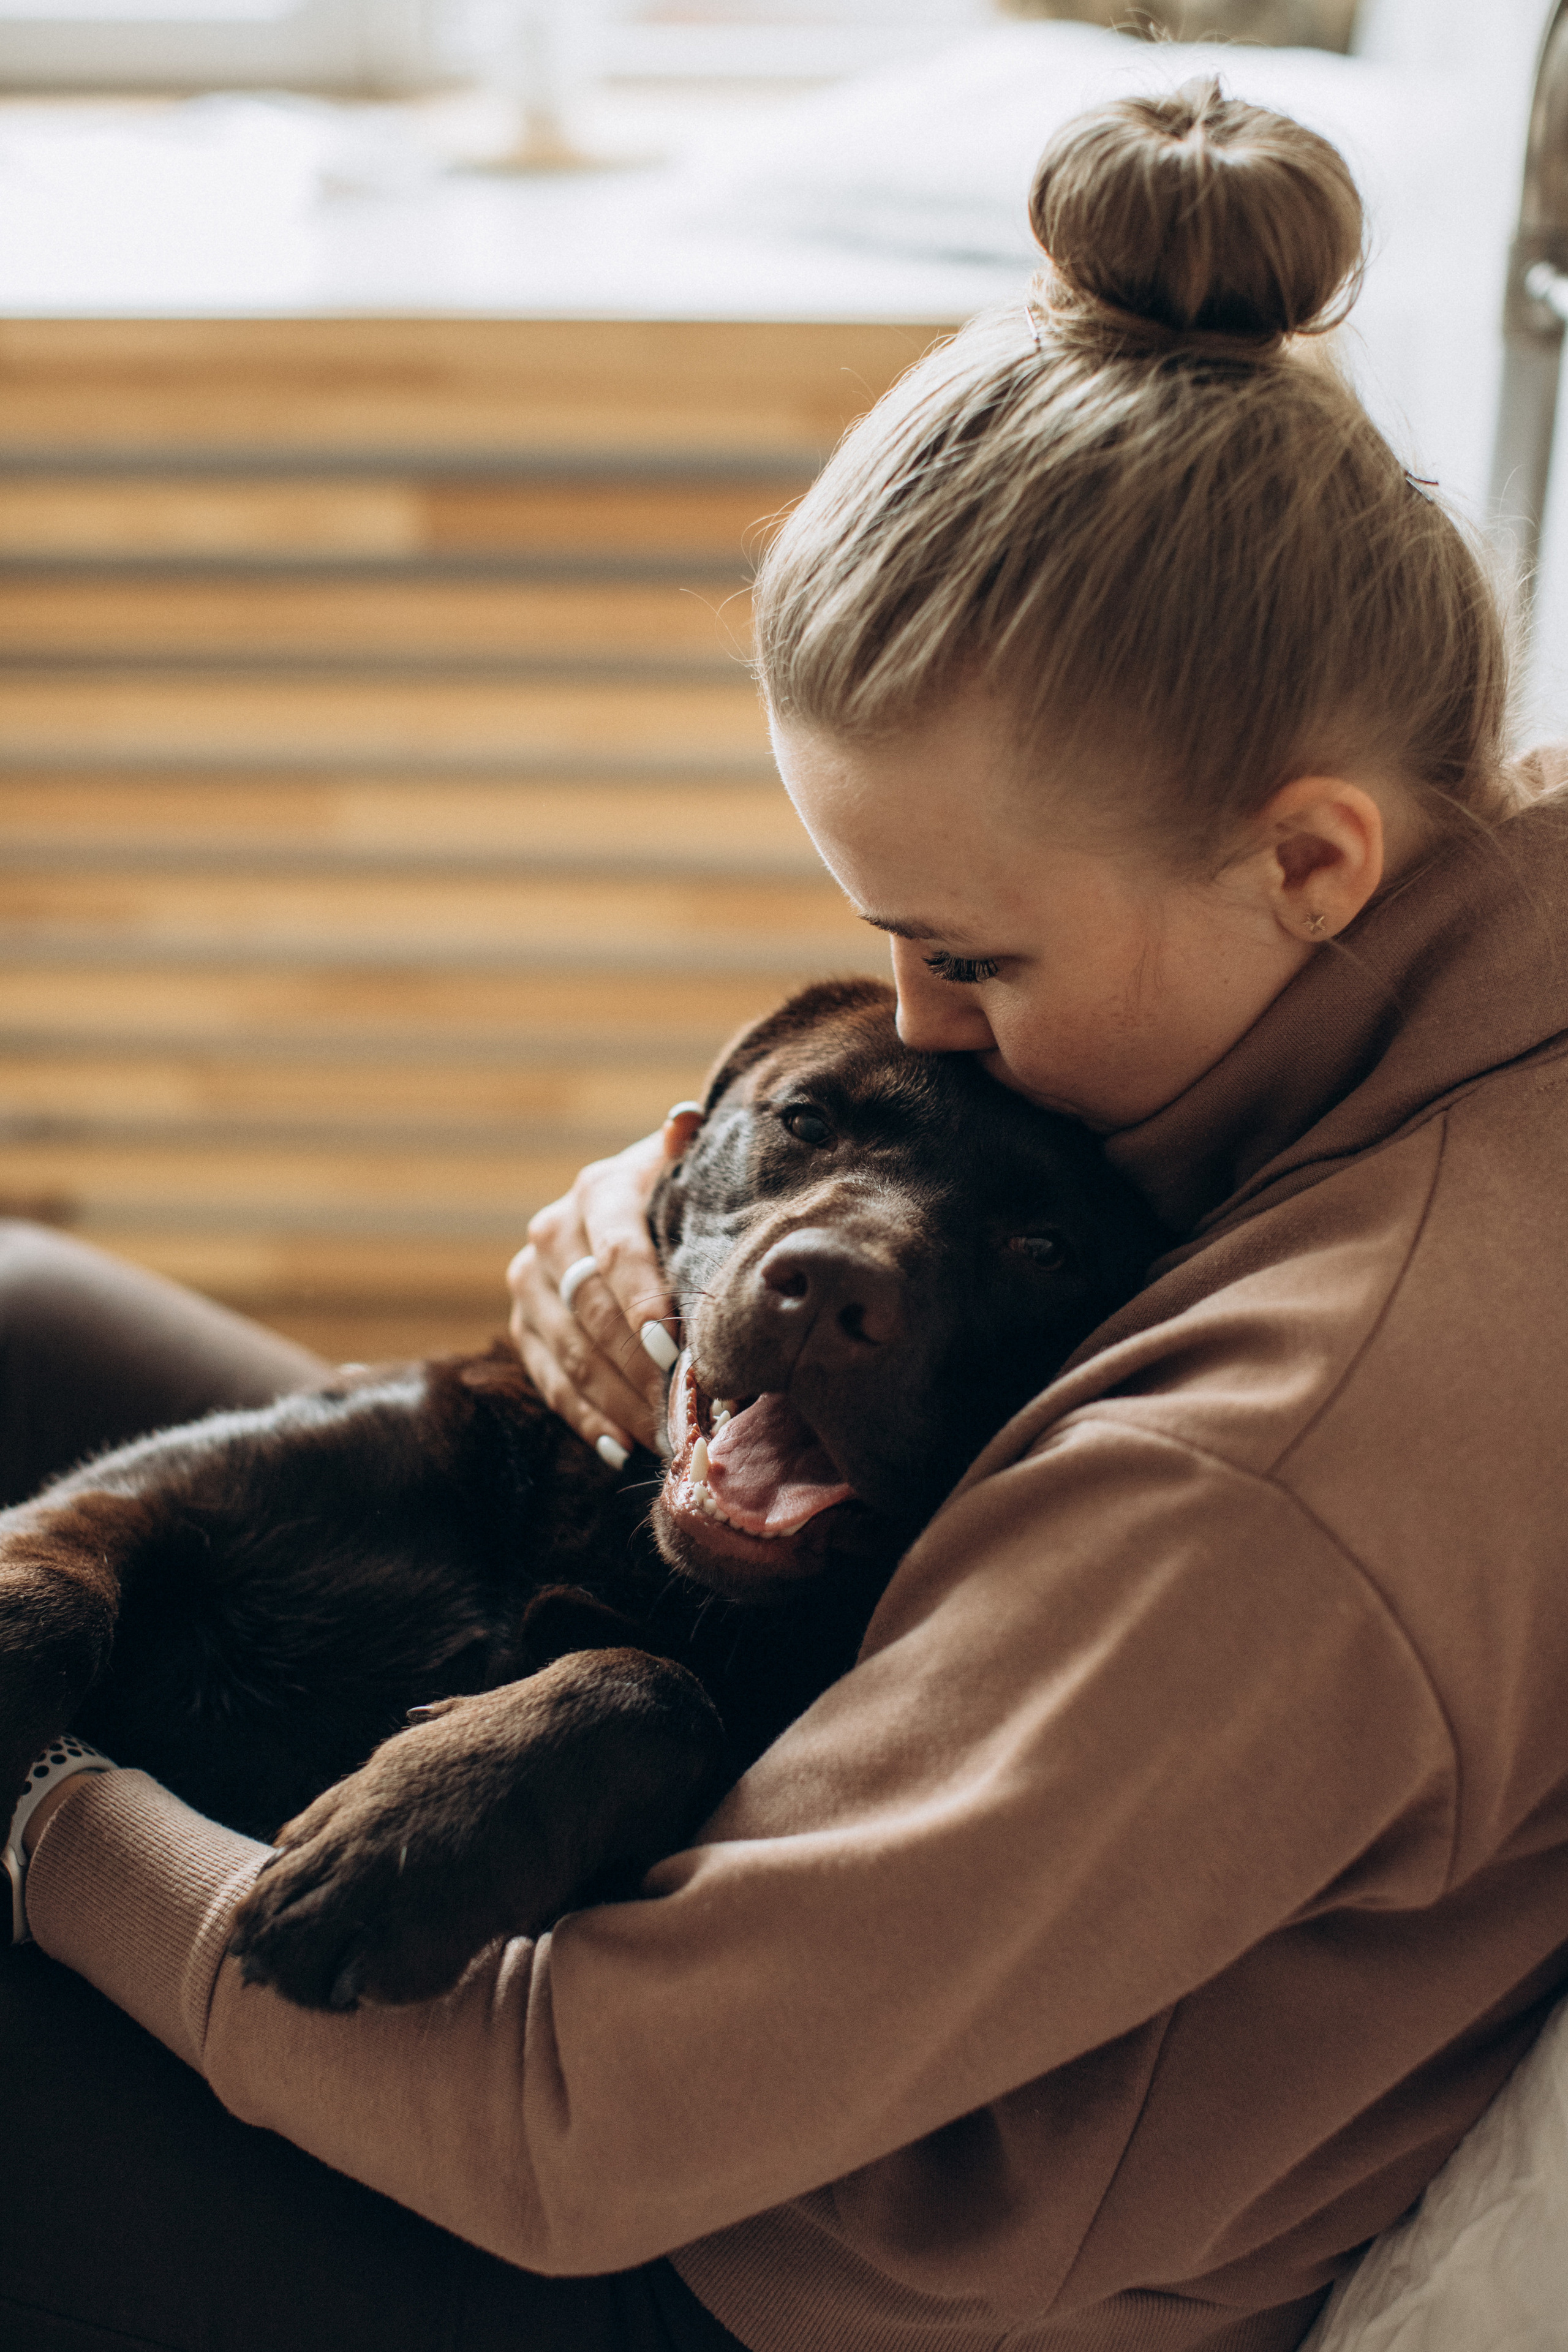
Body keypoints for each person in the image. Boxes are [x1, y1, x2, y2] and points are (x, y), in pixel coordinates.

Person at [7, 76, 1568, 2352]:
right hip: (769, 1870)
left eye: (975, 960)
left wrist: (50, 1820)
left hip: (743, 2261)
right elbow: (920, 1162)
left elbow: (570, 2122)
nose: (922, 1029)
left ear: (1309, 859)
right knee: (29, 1314)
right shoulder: (1445, 948)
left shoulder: (1288, 1465)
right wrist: (671, 1213)